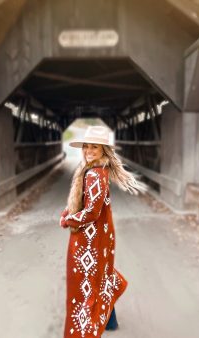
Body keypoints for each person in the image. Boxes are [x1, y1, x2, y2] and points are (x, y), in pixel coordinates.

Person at [60, 125, 147, 338]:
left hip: (89, 238)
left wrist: (67, 220)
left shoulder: (94, 174)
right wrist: (68, 211)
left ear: (103, 151)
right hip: (100, 235)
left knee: (85, 281)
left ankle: (89, 326)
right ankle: (110, 321)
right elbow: (84, 201)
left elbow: (91, 212)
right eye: (86, 147)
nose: (89, 151)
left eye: (94, 148)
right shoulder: (94, 170)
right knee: (100, 276)